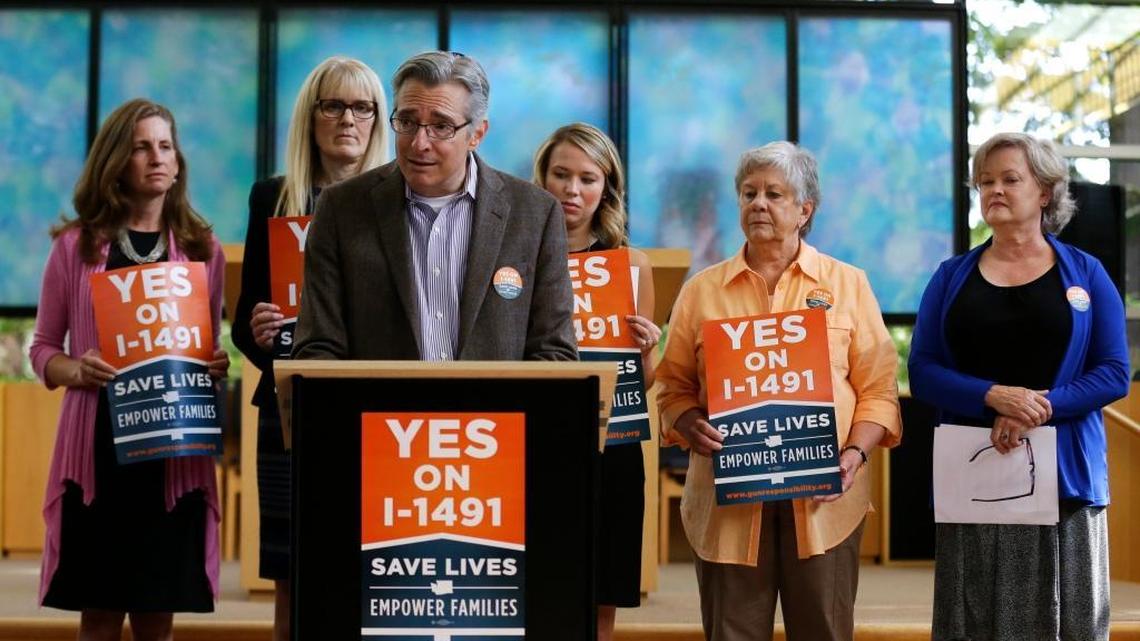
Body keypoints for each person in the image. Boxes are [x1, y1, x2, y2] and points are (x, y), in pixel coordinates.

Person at [655, 141, 901, 641]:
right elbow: (671, 387)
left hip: (825, 503)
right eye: (748, 193)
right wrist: (686, 422)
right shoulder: (701, 290)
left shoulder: (848, 285)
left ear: (804, 210)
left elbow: (879, 391)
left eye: (773, 194)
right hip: (728, 504)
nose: (758, 204)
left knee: (824, 632)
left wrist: (855, 452)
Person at [909, 132, 1129, 641]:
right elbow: (922, 369)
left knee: (1068, 622)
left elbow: (1114, 371)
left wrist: (1038, 407)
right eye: (986, 182)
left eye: (1011, 179)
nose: (995, 191)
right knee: (974, 621)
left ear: (1045, 192)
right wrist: (993, 396)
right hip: (976, 477)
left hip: (1066, 479)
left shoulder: (1087, 274)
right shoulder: (951, 277)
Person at [28, 98, 228, 640]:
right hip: (97, 451)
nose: (157, 157)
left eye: (165, 146)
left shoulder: (201, 249)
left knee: (157, 617)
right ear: (117, 159)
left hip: (171, 453)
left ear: (179, 161)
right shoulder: (76, 247)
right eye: (142, 146)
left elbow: (205, 350)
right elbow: (44, 349)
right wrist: (77, 370)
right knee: (97, 616)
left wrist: (213, 365)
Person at [231, 56, 388, 641]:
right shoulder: (272, 198)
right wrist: (263, 333)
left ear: (377, 119)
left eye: (362, 107)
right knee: (293, 571)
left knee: (372, 563)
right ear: (311, 115)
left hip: (375, 406)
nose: (348, 119)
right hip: (290, 409)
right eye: (334, 104)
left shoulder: (398, 200)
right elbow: (244, 321)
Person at [292, 50, 576, 362]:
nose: (419, 143)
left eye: (441, 126)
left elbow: (554, 352)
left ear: (476, 134)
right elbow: (317, 349)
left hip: (498, 411)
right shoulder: (341, 209)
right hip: (377, 410)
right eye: (407, 122)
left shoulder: (535, 214)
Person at [533, 123, 661, 641]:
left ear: (606, 187)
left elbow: (642, 382)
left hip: (614, 445)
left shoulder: (632, 267)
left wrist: (648, 349)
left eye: (587, 178)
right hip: (537, 442)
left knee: (603, 590)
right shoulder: (511, 258)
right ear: (541, 177)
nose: (572, 189)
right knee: (537, 583)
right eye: (561, 175)